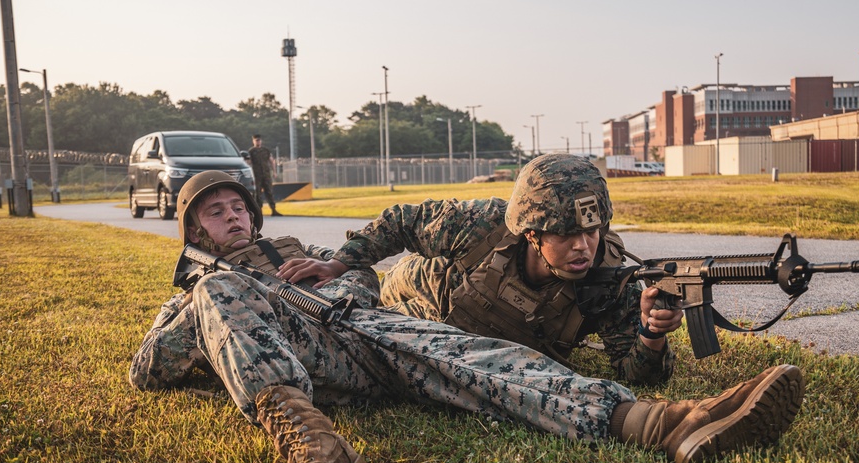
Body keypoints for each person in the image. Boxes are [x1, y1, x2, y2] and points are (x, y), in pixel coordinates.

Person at [129, 170, 805, 463]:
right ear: (194, 230)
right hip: (302, 366)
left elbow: (363, 280)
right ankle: (312, 443)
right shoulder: (195, 290)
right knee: (222, 296)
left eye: (239, 204)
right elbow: (147, 368)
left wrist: (330, 273)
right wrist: (214, 297)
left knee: (473, 355)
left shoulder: (295, 250)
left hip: (363, 333)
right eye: (216, 211)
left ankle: (668, 422)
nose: (235, 215)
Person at [282, 153, 683, 387]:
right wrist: (337, 262)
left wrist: (652, 334)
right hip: (424, 287)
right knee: (362, 300)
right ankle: (309, 257)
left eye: (591, 231)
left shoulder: (609, 281)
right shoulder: (485, 224)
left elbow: (638, 377)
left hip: (464, 339)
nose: (583, 247)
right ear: (531, 233)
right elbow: (402, 220)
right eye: (565, 235)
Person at [246, 134, 282, 216]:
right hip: (256, 175)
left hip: (266, 175)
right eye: (256, 140)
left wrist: (274, 172)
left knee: (269, 192)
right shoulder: (251, 151)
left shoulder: (265, 150)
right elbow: (248, 162)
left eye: (259, 140)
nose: (258, 142)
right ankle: (259, 211)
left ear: (261, 141)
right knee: (257, 194)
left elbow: (271, 161)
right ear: (253, 141)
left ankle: (273, 209)